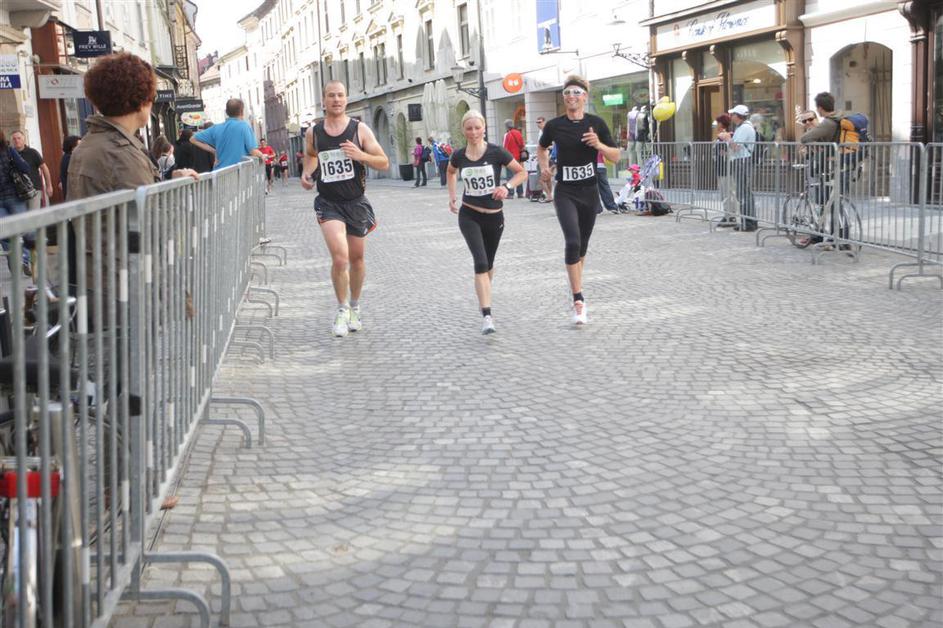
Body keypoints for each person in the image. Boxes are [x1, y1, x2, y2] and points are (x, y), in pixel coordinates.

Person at [300, 80, 389, 338]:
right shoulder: (314, 132)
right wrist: (307, 173)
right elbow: (311, 155)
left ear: (346, 99)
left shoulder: (359, 129)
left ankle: (354, 307)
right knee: (340, 258)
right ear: (324, 101)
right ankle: (341, 310)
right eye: (331, 95)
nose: (336, 100)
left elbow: (383, 162)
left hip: (356, 202)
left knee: (357, 259)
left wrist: (361, 155)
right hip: (328, 203)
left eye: (340, 95)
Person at [537, 75, 620, 325]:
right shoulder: (554, 125)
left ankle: (576, 284)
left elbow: (616, 156)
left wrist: (599, 145)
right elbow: (542, 148)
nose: (571, 97)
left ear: (584, 96)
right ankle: (578, 299)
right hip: (565, 192)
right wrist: (544, 168)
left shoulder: (596, 123)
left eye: (576, 92)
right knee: (572, 242)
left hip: (589, 192)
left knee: (582, 247)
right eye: (566, 93)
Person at [447, 110, 526, 335]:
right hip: (469, 215)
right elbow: (450, 172)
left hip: (494, 217)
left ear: (484, 128)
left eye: (477, 128)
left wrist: (507, 187)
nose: (473, 132)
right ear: (463, 130)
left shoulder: (496, 152)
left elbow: (521, 173)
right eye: (469, 128)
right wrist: (452, 196)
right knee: (480, 262)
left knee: (489, 264)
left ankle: (484, 295)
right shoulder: (459, 155)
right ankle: (487, 315)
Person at [191, 98, 263, 170]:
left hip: (219, 173)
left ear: (226, 112)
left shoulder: (216, 128)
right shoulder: (244, 126)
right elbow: (253, 151)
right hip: (237, 173)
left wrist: (214, 151)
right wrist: (262, 156)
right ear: (242, 112)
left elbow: (192, 139)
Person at [0, 130, 35, 276]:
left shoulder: (9, 151)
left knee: (4, 233)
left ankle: (15, 263)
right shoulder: (9, 151)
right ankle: (24, 260)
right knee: (23, 229)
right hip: (14, 196)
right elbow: (25, 168)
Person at [720, 104, 757, 232]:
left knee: (743, 193)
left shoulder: (744, 128)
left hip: (742, 161)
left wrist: (728, 138)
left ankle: (748, 223)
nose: (731, 116)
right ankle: (749, 221)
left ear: (738, 116)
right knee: (744, 192)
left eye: (733, 114)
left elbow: (736, 147)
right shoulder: (743, 127)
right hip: (742, 160)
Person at [10, 130, 52, 209]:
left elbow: (44, 168)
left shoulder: (32, 152)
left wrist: (49, 185)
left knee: (33, 214)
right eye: (14, 139)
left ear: (24, 139)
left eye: (19, 138)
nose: (16, 140)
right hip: (18, 192)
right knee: (23, 215)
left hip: (34, 189)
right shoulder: (9, 155)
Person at [713, 114, 737, 227]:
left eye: (718, 122)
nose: (716, 125)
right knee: (725, 193)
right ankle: (728, 214)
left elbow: (727, 152)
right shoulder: (721, 137)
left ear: (721, 124)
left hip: (726, 169)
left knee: (728, 192)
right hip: (722, 168)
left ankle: (730, 216)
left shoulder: (727, 135)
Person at [502, 119, 525, 199]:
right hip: (518, 157)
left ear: (506, 126)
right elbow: (522, 145)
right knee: (519, 174)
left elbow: (505, 148)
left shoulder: (507, 135)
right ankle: (520, 193)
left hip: (510, 158)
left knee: (510, 176)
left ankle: (510, 193)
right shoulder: (518, 133)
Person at [535, 116, 555, 203]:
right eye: (537, 122)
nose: (538, 124)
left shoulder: (548, 131)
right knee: (547, 178)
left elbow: (553, 144)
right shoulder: (541, 132)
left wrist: (546, 148)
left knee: (542, 179)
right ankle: (549, 195)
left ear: (544, 122)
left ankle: (549, 195)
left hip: (547, 157)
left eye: (540, 122)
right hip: (543, 157)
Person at [58, 135, 81, 200]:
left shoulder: (67, 157)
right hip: (74, 196)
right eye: (79, 145)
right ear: (72, 147)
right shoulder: (69, 159)